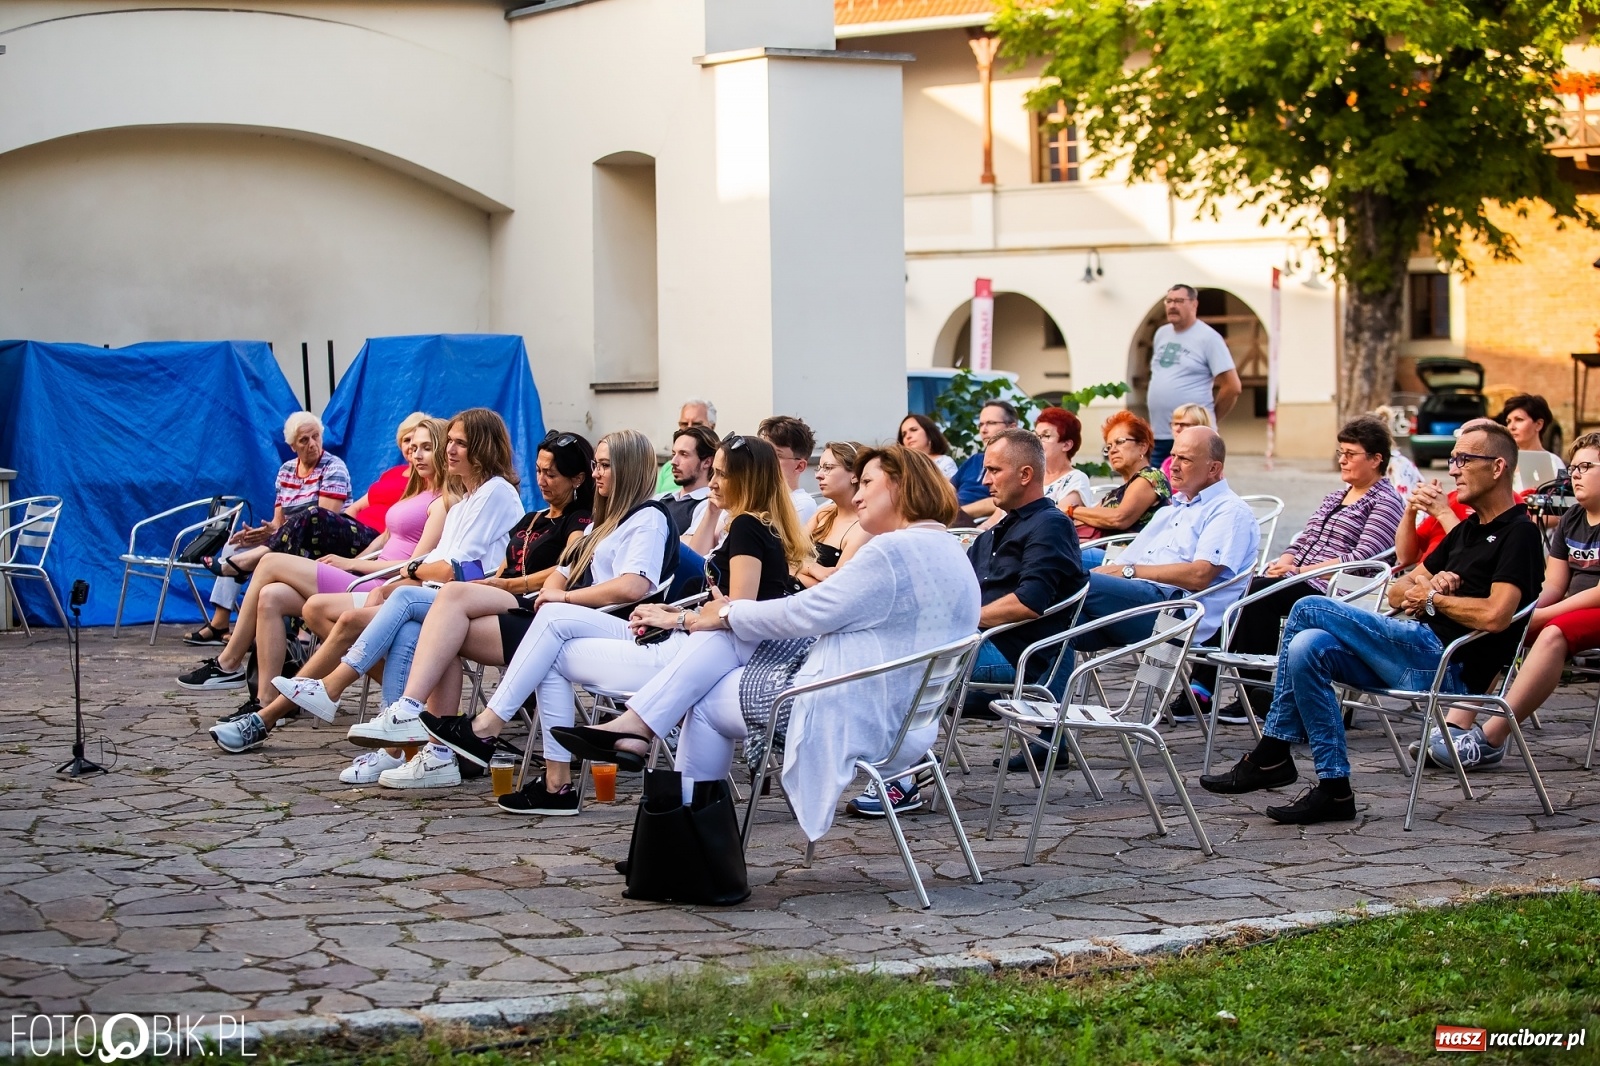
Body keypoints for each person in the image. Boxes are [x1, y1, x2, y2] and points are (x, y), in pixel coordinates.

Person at [551, 445, 980, 836]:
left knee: (704, 699)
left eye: (867, 482)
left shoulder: (890, 552)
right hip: (906, 718)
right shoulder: (948, 550)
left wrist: (725, 613)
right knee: (723, 642)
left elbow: (806, 613)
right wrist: (719, 617)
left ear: (901, 486)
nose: (859, 493)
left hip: (853, 712)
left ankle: (686, 834)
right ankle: (646, 746)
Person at [418, 434, 808, 811]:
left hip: (689, 647)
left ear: (746, 480)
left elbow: (735, 610)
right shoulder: (744, 525)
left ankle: (503, 737)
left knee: (548, 634)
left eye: (722, 473)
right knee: (546, 641)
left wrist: (678, 617)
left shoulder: (739, 525)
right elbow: (731, 608)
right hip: (688, 643)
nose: (714, 481)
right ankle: (551, 772)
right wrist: (677, 615)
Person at [1200, 422, 1543, 824]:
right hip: (1415, 648)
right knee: (1307, 647)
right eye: (1453, 459)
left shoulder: (1519, 533)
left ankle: (1272, 751)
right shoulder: (1469, 529)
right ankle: (1335, 789)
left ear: (1498, 467)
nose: (1453, 469)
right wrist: (1427, 587)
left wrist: (1434, 599)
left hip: (1448, 664)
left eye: (1464, 459)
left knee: (1308, 607)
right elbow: (1398, 591)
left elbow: (1496, 615)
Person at [275, 432, 597, 784]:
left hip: (530, 606)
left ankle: (355, 695)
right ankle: (428, 754)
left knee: (410, 599)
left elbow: (568, 568)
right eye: (538, 471)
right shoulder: (530, 518)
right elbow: (496, 570)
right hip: (495, 599)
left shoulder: (579, 520)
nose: (542, 480)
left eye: (551, 474)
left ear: (577, 479)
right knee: (418, 626)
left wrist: (504, 585)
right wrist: (485, 582)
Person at [207, 408, 527, 755]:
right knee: (295, 599)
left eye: (458, 443)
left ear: (482, 447)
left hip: (462, 599)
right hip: (425, 590)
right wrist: (398, 574)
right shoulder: (465, 500)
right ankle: (390, 738)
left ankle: (295, 701)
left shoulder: (489, 493)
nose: (446, 450)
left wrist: (400, 573)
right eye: (447, 441)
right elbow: (431, 560)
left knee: (346, 606)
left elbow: (456, 568)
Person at [175, 417, 451, 709]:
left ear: (442, 450)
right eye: (413, 447)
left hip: (384, 584)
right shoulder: (416, 490)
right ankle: (265, 700)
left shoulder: (443, 501)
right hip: (367, 572)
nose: (416, 454)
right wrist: (354, 561)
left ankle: (229, 662)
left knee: (269, 562)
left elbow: (414, 565)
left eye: (426, 448)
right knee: (271, 596)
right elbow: (385, 537)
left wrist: (351, 565)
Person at [1185, 416, 1406, 724]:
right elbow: (1304, 539)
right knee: (1235, 589)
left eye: (1350, 454)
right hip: (1303, 578)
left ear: (1376, 459)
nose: (1342, 460)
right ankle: (1202, 688)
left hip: (1338, 590)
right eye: (1340, 452)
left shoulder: (1385, 502)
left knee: (1257, 595)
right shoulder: (1337, 496)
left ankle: (1251, 694)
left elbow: (1361, 559)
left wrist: (1301, 570)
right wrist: (1286, 561)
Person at [1426, 432, 1600, 770]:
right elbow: (1554, 584)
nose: (1575, 475)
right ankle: (1454, 727)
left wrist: (1543, 616)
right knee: (1501, 622)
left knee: (1552, 633)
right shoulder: (1572, 519)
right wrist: (1525, 611)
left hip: (1589, 611)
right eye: (1573, 468)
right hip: (1570, 609)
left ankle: (1491, 739)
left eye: (1586, 467)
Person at [961, 428, 1087, 779]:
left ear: (1025, 474)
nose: (985, 480)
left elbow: (1029, 602)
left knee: (904, 668)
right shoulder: (996, 531)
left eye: (994, 470)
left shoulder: (1050, 525)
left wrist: (962, 620)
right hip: (977, 645)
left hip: (1009, 656)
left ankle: (900, 773)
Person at [1077, 426, 1257, 652]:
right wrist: (1117, 572)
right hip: (1141, 601)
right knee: (1054, 621)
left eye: (1185, 459)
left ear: (1213, 468)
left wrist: (1129, 571)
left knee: (1066, 580)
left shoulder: (1229, 511)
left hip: (1178, 616)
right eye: (1173, 456)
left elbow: (1200, 575)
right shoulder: (1171, 510)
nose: (1173, 465)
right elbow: (1123, 562)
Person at [189, 412, 355, 644]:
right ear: (292, 446)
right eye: (304, 440)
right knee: (234, 547)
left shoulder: (333, 468)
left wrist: (278, 534)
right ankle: (219, 623)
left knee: (266, 555)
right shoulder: (286, 471)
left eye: (316, 436)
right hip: (287, 538)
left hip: (320, 543)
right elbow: (278, 521)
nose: (312, 444)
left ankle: (253, 629)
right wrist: (265, 532)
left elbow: (324, 521)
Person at [1146, 284, 1242, 466]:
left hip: (1193, 438)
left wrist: (1208, 419)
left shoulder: (1209, 338)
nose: (1172, 306)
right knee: (1157, 484)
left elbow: (1232, 387)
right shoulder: (1161, 334)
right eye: (1169, 301)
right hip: (1160, 435)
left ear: (1194, 304)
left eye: (1179, 301)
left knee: (1191, 484)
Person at [1069, 411, 1171, 564]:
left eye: (1120, 442)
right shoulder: (1117, 493)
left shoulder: (1152, 477)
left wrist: (1072, 510)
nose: (1113, 450)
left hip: (1131, 562)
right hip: (1106, 556)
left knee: (1054, 554)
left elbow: (1119, 518)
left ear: (1143, 446)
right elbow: (1088, 519)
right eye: (1109, 446)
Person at [977, 407, 1096, 532]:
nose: (1037, 441)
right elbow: (995, 519)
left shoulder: (1076, 479)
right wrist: (975, 534)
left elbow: (1056, 519)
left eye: (1045, 436)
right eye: (1035, 436)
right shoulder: (1026, 475)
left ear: (1066, 445)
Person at [798, 441, 872, 587]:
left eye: (828, 468)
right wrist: (812, 568)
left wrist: (794, 571)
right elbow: (784, 556)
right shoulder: (824, 514)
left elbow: (835, 588)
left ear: (855, 474)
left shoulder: (864, 528)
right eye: (819, 468)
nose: (819, 475)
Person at [347, 411, 431, 534]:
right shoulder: (393, 472)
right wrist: (344, 524)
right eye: (407, 440)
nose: (412, 445)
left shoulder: (428, 480)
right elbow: (356, 507)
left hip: (378, 537)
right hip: (354, 529)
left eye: (418, 441)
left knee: (317, 518)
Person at [951, 401, 1018, 523]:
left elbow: (1004, 501)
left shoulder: (1016, 461)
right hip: (952, 517)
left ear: (1012, 428)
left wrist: (959, 513)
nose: (983, 430)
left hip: (975, 523)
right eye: (981, 424)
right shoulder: (975, 459)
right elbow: (948, 489)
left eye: (991, 423)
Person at [656, 424, 717, 538]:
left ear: (707, 462)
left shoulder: (710, 506)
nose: (673, 461)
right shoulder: (660, 499)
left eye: (684, 454)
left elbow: (691, 545)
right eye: (673, 454)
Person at [1497, 393, 1567, 490]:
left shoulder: (1553, 462)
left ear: (1538, 424)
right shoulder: (1503, 462)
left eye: (1519, 420)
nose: (1511, 427)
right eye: (1508, 421)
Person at [759, 414, 820, 524]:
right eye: (763, 453)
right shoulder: (753, 497)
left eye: (777, 455)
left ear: (799, 466)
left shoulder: (802, 504)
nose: (766, 460)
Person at [654, 398, 717, 494]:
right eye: (684, 424)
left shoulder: (723, 467)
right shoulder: (667, 468)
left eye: (696, 424)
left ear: (712, 426)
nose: (689, 428)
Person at [1161, 403, 1212, 484]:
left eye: (1184, 424)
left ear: (1201, 427)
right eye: (1175, 424)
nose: (1177, 429)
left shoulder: (1208, 464)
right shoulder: (1168, 463)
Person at [898, 414, 959, 480]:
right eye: (904, 435)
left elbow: (952, 486)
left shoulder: (945, 462)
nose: (908, 436)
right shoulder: (900, 467)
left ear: (929, 433)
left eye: (914, 430)